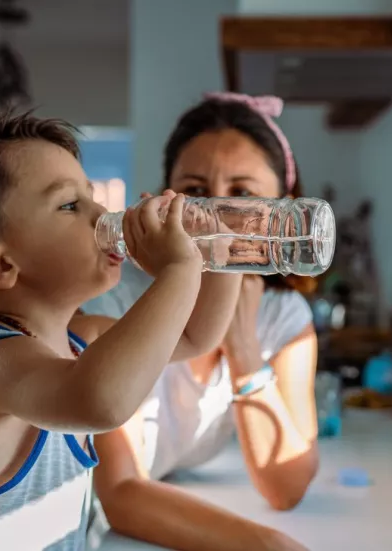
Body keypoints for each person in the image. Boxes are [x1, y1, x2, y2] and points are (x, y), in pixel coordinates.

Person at [0, 111, 242, 550]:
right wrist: (177, 270)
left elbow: (195, 337)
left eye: (92, 196)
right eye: (69, 205)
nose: (101, 215)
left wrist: (225, 251)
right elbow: (102, 402)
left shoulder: (83, 337)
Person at [79, 93, 319, 551]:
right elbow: (118, 495)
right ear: (166, 196)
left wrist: (243, 346)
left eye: (243, 195)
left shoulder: (283, 317)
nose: (218, 217)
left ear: (281, 210)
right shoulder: (109, 306)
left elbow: (285, 486)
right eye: (197, 190)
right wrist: (267, 545)